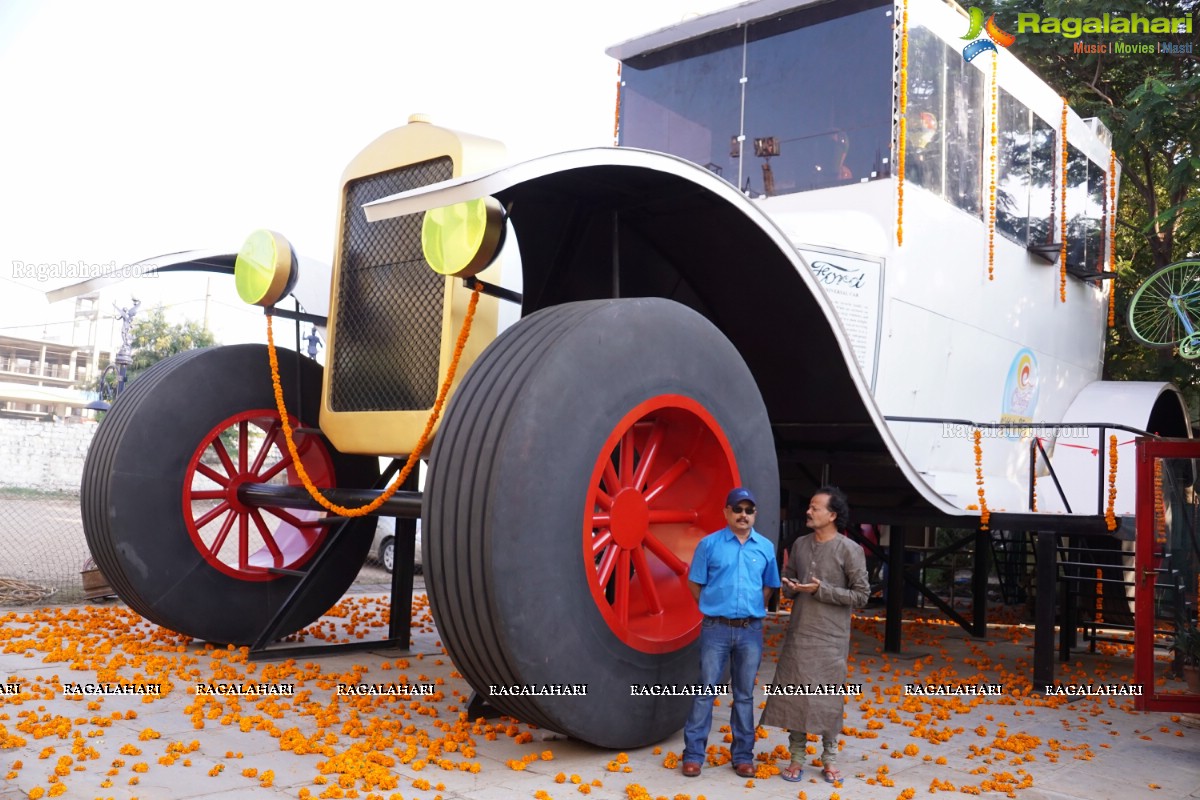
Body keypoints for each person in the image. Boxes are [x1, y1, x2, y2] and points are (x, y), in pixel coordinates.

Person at [761, 486, 868, 784]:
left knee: (827, 699)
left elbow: (861, 596)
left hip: (831, 638)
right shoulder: (800, 544)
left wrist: (822, 591)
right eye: (809, 506)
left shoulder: (850, 550)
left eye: (815, 508)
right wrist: (789, 586)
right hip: (800, 632)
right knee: (796, 695)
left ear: (832, 515)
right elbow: (790, 583)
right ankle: (796, 758)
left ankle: (829, 759)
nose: (808, 512)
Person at [681, 487, 780, 779]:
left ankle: (743, 757)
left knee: (745, 695)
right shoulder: (709, 545)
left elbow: (769, 584)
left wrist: (752, 607)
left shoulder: (765, 547)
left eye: (749, 510)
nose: (743, 515)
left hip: (750, 631)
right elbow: (694, 582)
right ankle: (694, 756)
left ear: (755, 515)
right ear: (726, 512)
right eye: (738, 509)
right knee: (705, 691)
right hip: (716, 629)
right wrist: (713, 607)